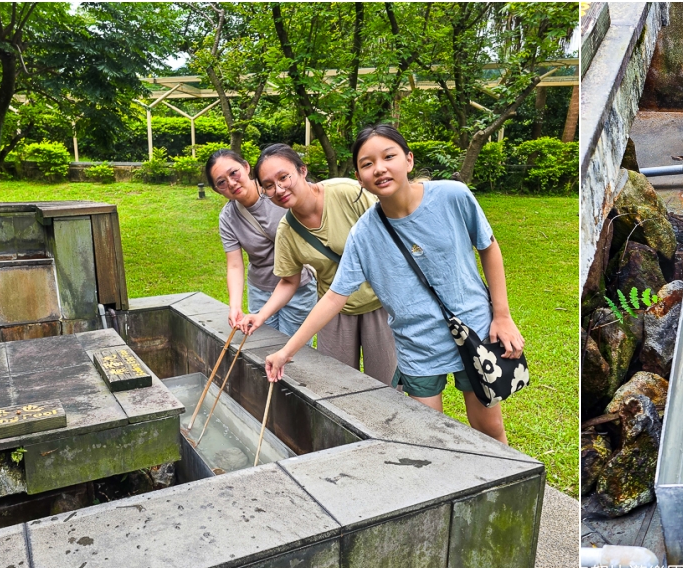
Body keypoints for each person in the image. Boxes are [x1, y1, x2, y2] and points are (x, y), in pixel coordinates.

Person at [264, 125, 524, 444]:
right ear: (359, 177)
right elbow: (333, 297)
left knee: (488, 428)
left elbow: (488, 247)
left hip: (475, 331)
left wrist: (503, 315)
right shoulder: (363, 235)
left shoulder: (453, 197)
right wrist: (286, 351)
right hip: (418, 346)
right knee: (426, 438)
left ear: (409, 160)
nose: (380, 168)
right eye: (367, 163)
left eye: (389, 156)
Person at [239, 144, 398, 383]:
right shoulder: (287, 231)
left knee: (386, 386)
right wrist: (261, 316)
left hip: (379, 304)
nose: (279, 188)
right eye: (269, 186)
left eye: (284, 177)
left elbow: (393, 231)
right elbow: (289, 281)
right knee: (335, 387)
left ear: (302, 170)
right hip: (333, 311)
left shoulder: (347, 192)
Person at [204, 149, 316, 337]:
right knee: (262, 349)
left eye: (234, 173)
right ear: (217, 190)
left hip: (299, 288)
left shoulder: (279, 193)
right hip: (261, 291)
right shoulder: (228, 217)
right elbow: (234, 265)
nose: (231, 183)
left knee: (294, 355)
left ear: (246, 167)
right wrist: (235, 306)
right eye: (221, 182)